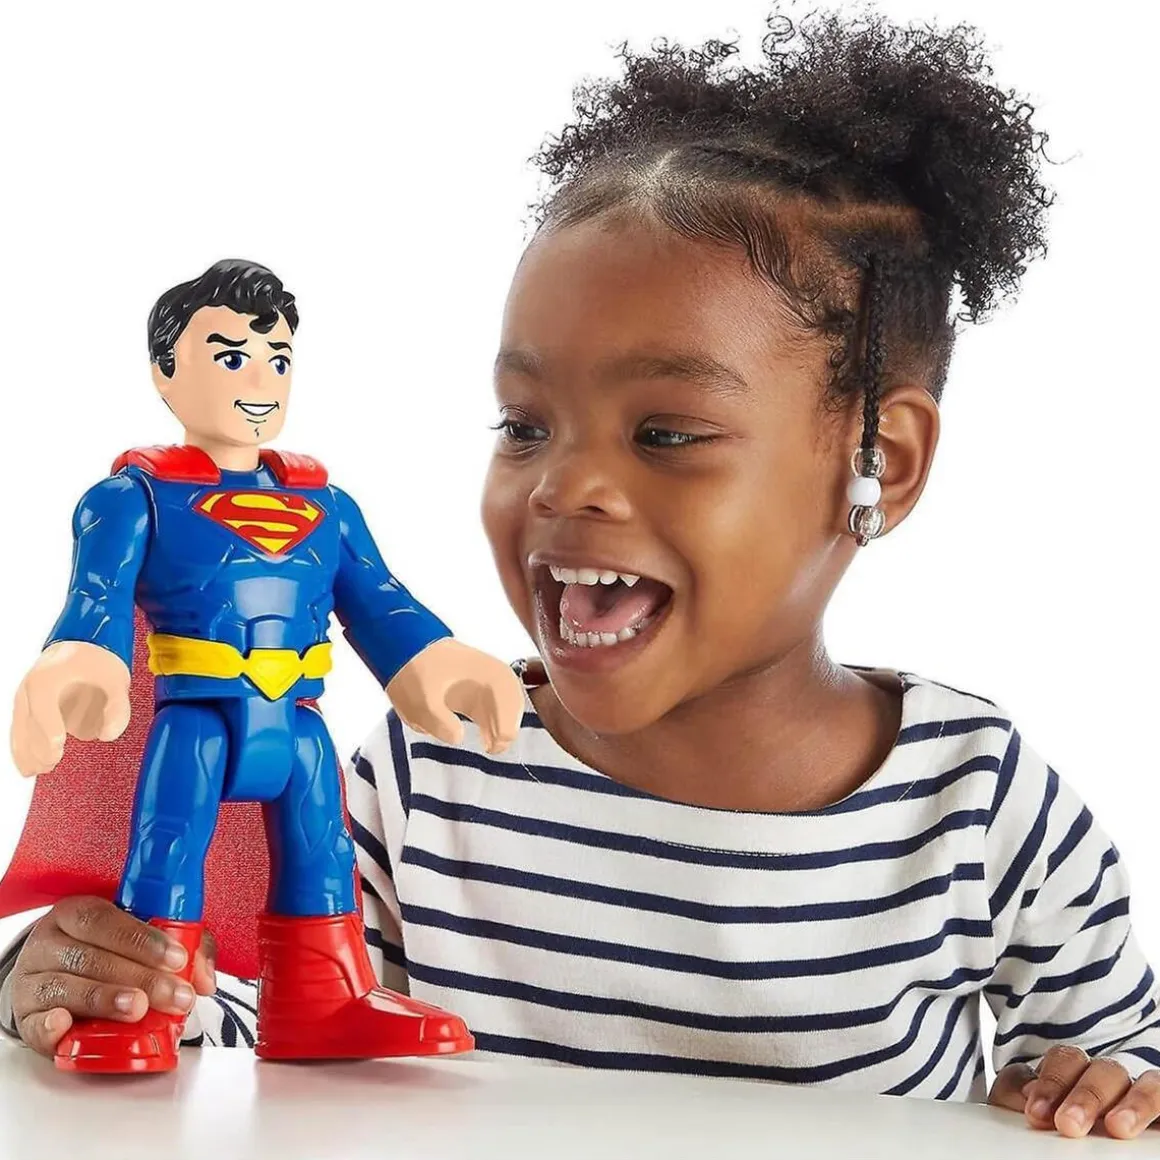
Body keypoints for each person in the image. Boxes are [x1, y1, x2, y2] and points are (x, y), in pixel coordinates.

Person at [4, 4, 1159, 1139]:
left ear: (880, 462)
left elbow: (1124, 1052)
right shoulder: (426, 777)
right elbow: (250, 1043)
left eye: (664, 433)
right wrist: (73, 985)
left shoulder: (975, 799)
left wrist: (1104, 1085)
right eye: (523, 426)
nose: (562, 486)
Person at [0, 259, 522, 1072]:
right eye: (231, 356)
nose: (260, 380)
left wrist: (432, 658)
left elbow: (380, 602)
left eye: (278, 359)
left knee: (322, 851)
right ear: (165, 372)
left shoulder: (324, 504)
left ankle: (323, 1002)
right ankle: (144, 1009)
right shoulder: (135, 498)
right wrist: (80, 661)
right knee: (167, 849)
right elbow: (96, 597)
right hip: (198, 718)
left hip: (297, 720)